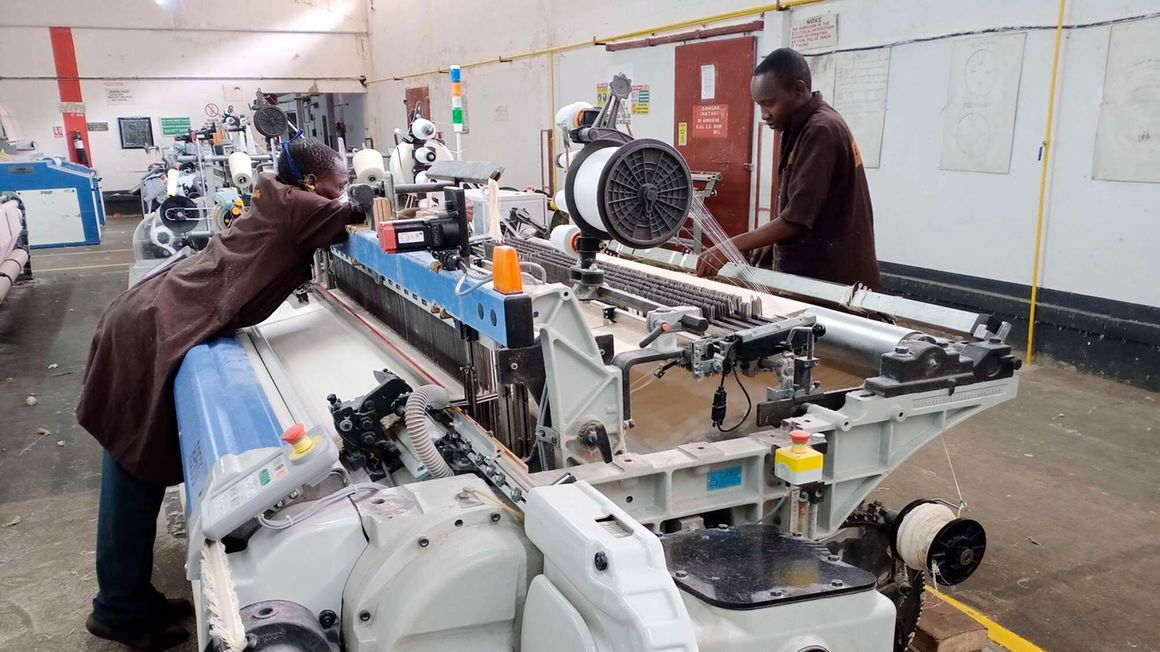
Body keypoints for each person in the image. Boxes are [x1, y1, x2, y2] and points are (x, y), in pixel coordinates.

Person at [76, 136, 359, 650]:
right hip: (154, 325)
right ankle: (118, 609)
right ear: (315, 183)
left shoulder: (278, 194)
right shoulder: (301, 208)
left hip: (157, 309)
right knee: (131, 471)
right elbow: (358, 219)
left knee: (130, 467)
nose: (346, 190)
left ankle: (129, 595)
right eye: (342, 181)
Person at [696, 47, 881, 291]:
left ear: (799, 89)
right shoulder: (796, 126)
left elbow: (797, 220)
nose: (764, 115)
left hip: (835, 283)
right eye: (759, 106)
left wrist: (728, 247)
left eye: (769, 104)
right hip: (815, 274)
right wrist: (770, 241)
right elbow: (797, 204)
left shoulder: (821, 130)